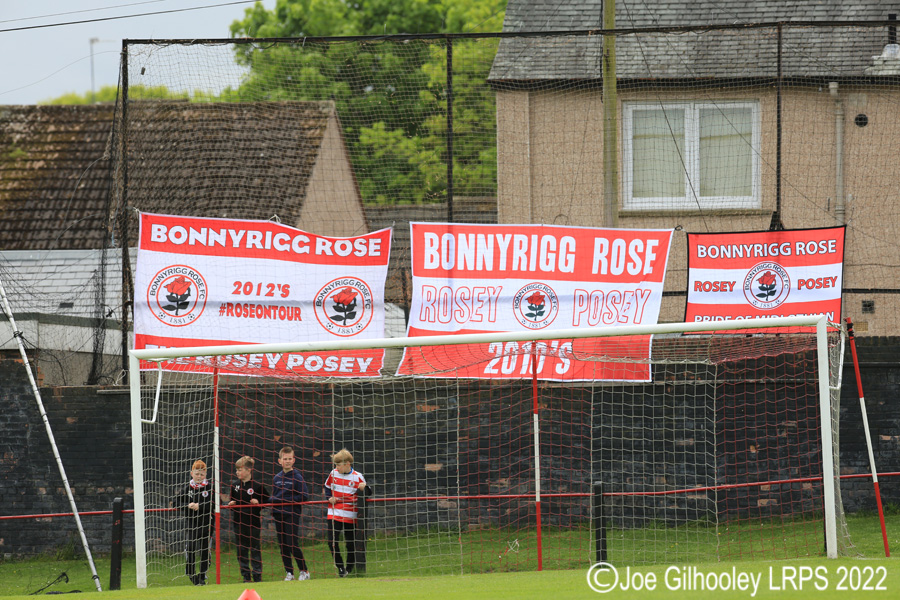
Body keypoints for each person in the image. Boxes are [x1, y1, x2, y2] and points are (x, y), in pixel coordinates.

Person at [324, 448, 372, 577]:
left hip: (351, 515)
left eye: (339, 465)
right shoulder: (333, 474)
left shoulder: (357, 476)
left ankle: (349, 569)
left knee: (350, 543)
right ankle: (340, 568)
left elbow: (369, 492)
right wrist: (329, 498)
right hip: (334, 513)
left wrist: (364, 488)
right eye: (336, 465)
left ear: (347, 464)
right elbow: (327, 488)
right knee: (331, 542)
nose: (337, 467)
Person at [271, 446, 310, 581]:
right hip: (278, 514)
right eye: (285, 459)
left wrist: (286, 500)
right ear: (279, 461)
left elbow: (304, 496)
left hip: (291, 514)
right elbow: (274, 497)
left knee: (292, 543)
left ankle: (304, 571)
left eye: (289, 459)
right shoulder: (276, 478)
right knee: (283, 545)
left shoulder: (298, 477)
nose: (287, 461)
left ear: (294, 460)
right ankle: (289, 573)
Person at [228, 456, 268, 583]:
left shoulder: (257, 486)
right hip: (238, 523)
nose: (237, 472)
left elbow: (267, 500)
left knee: (255, 549)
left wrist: (259, 502)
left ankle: (257, 576)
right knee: (241, 550)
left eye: (240, 470)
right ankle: (246, 576)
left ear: (249, 470)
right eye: (237, 470)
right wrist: (231, 505)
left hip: (253, 523)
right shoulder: (234, 486)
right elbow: (231, 503)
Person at [175, 459, 214, 586]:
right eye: (197, 474)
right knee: (191, 548)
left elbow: (215, 504)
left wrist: (200, 505)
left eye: (202, 474)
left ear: (205, 474)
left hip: (207, 524)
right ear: (192, 473)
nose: (199, 477)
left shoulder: (210, 488)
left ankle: (202, 576)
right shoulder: (188, 488)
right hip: (192, 525)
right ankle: (191, 574)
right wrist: (188, 505)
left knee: (204, 550)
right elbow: (176, 503)